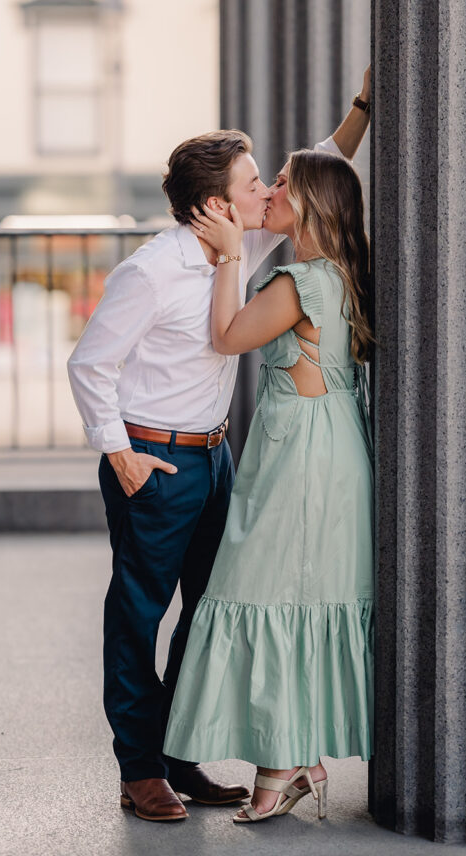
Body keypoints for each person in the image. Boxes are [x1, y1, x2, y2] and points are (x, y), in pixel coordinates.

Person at [66, 71, 371, 823]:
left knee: (207, 610)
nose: (267, 190)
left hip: (218, 457)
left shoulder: (245, 241)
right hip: (155, 459)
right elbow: (89, 363)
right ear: (216, 206)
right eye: (252, 181)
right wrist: (119, 452)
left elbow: (322, 169)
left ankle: (179, 756)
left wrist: (363, 107)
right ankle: (140, 770)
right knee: (140, 614)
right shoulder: (152, 272)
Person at [163, 146, 374, 824]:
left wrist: (228, 255)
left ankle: (284, 765)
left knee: (268, 593)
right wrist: (359, 111)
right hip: (330, 445)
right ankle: (292, 762)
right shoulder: (337, 273)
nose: (270, 190)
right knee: (301, 598)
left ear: (310, 202)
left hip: (298, 458)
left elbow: (225, 337)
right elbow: (330, 155)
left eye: (282, 181)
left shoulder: (297, 283)